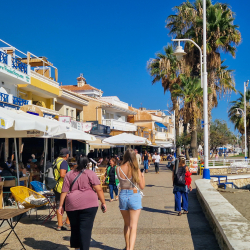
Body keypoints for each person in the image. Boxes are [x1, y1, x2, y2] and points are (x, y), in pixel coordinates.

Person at [58, 156, 107, 250]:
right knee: (86, 229)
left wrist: (61, 206)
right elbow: (99, 189)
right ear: (87, 163)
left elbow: (64, 191)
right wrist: (103, 202)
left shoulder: (69, 174)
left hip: (72, 204)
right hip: (89, 203)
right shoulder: (90, 173)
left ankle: (76, 248)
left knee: (75, 227)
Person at [117, 148, 145, 250]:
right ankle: (130, 249)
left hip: (123, 194)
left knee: (126, 224)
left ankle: (127, 246)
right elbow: (142, 186)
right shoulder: (135, 169)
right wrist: (142, 176)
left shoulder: (118, 168)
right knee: (133, 226)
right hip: (134, 194)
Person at [54, 148, 71, 231]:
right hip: (63, 186)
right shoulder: (63, 162)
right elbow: (62, 174)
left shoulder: (56, 160)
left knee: (59, 205)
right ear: (66, 155)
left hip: (56, 186)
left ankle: (59, 225)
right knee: (70, 205)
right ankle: (67, 223)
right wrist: (71, 175)